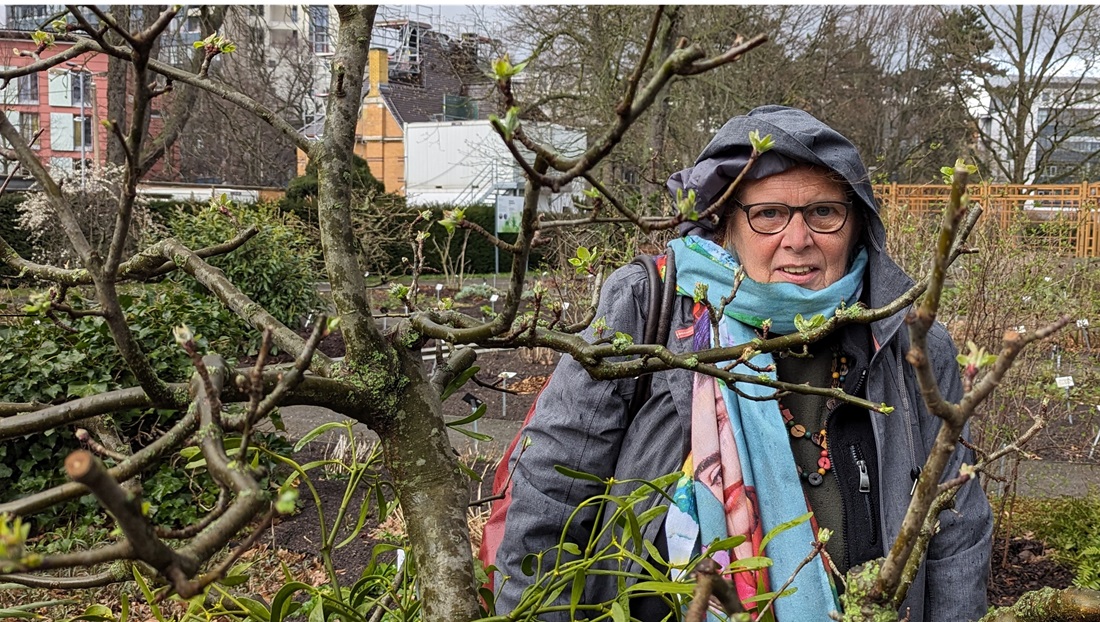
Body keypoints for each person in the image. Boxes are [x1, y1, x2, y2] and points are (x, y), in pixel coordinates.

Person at [493, 105, 992, 621]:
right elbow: (551, 492)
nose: (797, 240)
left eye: (824, 212)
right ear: (726, 223)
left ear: (857, 222)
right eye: (769, 214)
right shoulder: (650, 308)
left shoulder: (908, 343)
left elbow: (957, 532)